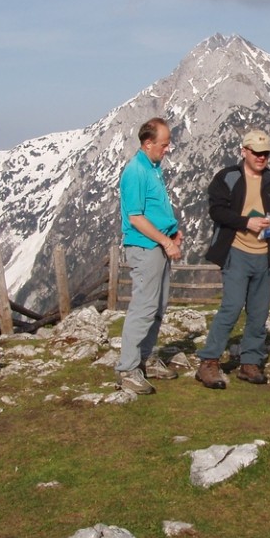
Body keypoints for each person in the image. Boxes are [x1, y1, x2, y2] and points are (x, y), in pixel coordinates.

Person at [195, 130, 270, 389]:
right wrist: (245, 221)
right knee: (232, 306)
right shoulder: (227, 178)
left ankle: (250, 363)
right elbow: (216, 212)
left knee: (259, 313)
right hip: (236, 251)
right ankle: (209, 361)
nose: (261, 157)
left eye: (265, 153)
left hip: (265, 254)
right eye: (257, 153)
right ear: (244, 152)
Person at [115, 117, 184, 395]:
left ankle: (146, 358)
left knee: (158, 306)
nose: (168, 149)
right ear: (148, 143)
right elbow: (136, 218)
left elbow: (155, 210)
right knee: (144, 307)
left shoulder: (154, 168)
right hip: (145, 246)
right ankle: (128, 369)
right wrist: (166, 242)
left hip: (157, 244)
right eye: (164, 144)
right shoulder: (136, 171)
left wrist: (173, 231)